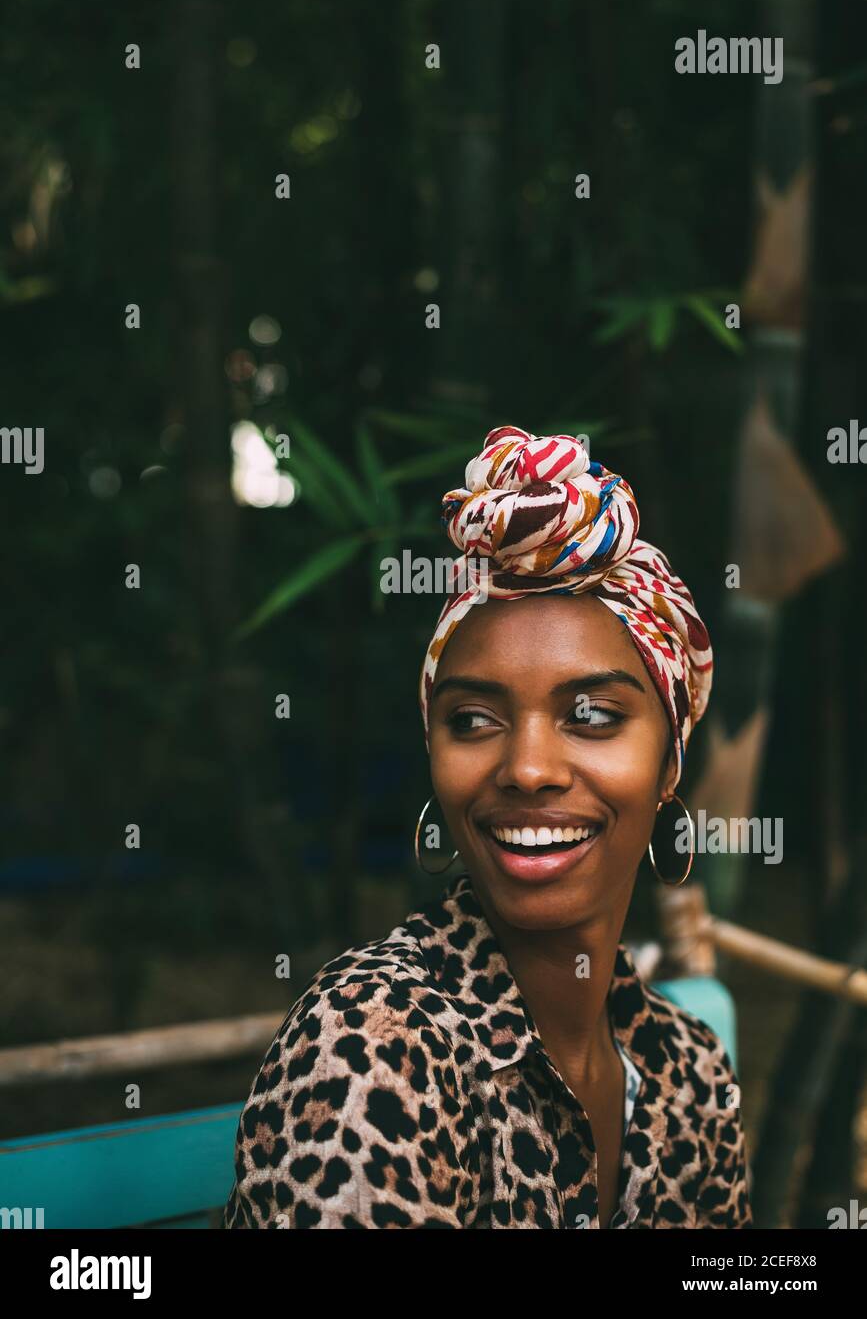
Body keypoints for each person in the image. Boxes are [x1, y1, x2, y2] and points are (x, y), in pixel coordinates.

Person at [224, 425, 752, 1229]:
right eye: (472, 719)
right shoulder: (374, 1049)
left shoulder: (686, 1072)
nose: (527, 769)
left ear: (668, 764)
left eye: (590, 715)